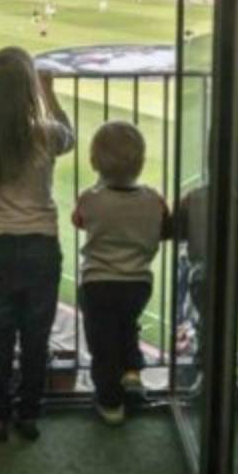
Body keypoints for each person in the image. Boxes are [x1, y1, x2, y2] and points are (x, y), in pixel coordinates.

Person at [0, 47, 74, 442]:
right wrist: (51, 94)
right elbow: (69, 136)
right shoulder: (46, 132)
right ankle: (29, 414)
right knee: (36, 336)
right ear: (30, 88)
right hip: (42, 244)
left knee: (0, 336)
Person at [72, 121, 170, 425]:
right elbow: (165, 228)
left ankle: (110, 403)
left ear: (94, 161)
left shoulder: (90, 198)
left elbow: (79, 221)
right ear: (140, 162)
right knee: (127, 325)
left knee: (102, 342)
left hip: (98, 283)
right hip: (138, 283)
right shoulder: (154, 199)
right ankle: (131, 369)